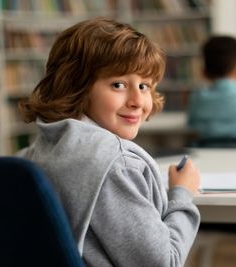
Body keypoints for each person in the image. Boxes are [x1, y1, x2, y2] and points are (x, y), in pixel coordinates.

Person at [17, 17, 201, 267]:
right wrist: (182, 194)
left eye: (145, 86)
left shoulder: (43, 147)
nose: (137, 100)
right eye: (118, 84)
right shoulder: (117, 164)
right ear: (76, 86)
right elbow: (165, 263)